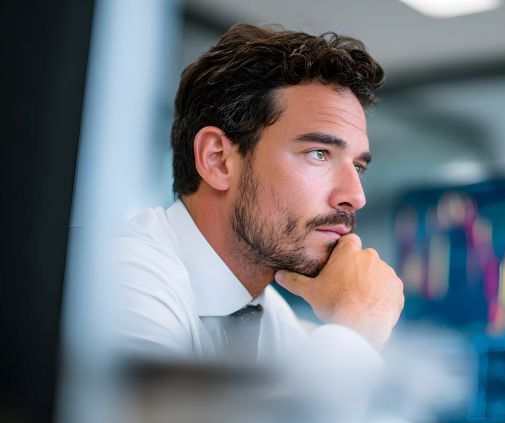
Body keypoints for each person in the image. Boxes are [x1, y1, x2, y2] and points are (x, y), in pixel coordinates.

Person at [113, 23, 404, 365]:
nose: (356, 197)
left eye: (357, 167)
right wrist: (359, 324)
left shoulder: (272, 322)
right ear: (218, 160)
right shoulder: (119, 275)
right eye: (319, 154)